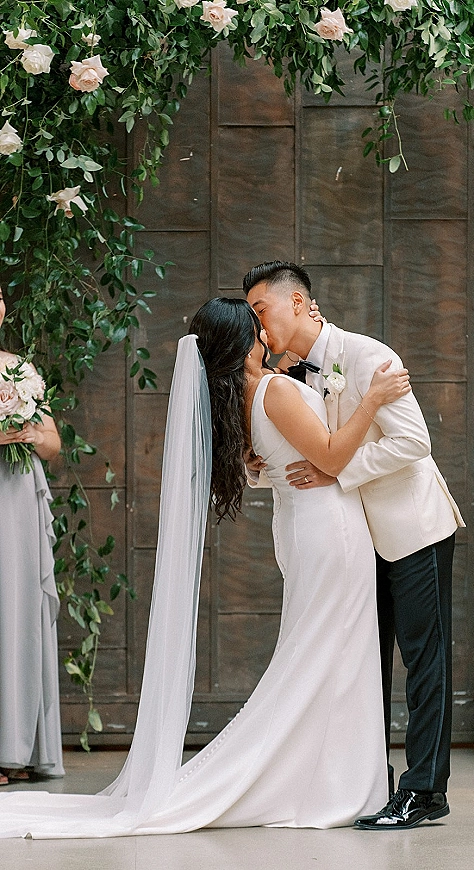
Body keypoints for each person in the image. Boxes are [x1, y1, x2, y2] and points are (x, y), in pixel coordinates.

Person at [0, 296, 406, 838]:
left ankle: (330, 776)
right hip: (327, 527)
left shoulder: (240, 396)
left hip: (307, 528)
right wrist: (373, 398)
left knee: (324, 653)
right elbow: (331, 457)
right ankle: (326, 781)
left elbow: (272, 457)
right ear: (246, 339)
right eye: (256, 322)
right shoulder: (275, 389)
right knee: (330, 652)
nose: (266, 328)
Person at [243, 261, 465, 830]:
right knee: (367, 662)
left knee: (422, 659)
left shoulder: (368, 357)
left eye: (260, 309)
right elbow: (301, 457)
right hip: (354, 539)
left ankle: (424, 790)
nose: (256, 323)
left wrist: (339, 475)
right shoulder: (284, 373)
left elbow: (415, 441)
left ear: (297, 304)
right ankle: (369, 783)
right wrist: (258, 467)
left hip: (411, 527)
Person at [0, 285, 64, 786]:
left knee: (18, 611)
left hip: (18, 497)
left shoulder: (18, 369)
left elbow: (52, 444)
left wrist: (27, 430)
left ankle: (17, 748)